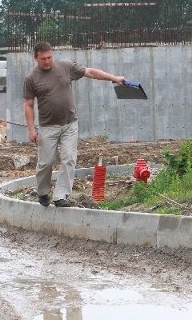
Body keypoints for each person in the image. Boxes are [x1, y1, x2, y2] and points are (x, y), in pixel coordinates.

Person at [23, 41, 125, 207]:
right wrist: (31, 129)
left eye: (49, 57)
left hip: (70, 124)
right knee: (45, 163)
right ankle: (42, 192)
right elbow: (28, 105)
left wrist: (113, 78)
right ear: (36, 58)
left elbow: (90, 72)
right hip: (48, 127)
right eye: (43, 59)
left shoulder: (65, 66)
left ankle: (61, 196)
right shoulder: (31, 79)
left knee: (69, 159)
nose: (47, 61)